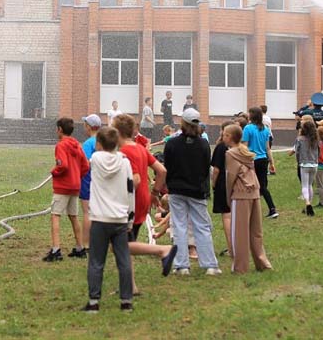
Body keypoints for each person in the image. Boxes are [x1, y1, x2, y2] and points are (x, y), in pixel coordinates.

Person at [114, 114, 175, 292]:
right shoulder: (141, 149)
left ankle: (163, 250)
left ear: (117, 131)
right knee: (127, 241)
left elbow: (135, 180)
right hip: (143, 201)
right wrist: (155, 193)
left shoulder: (124, 152)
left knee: (119, 245)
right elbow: (161, 171)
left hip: (129, 203)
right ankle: (130, 285)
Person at [82, 125, 136, 313]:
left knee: (96, 261)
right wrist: (130, 218)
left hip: (99, 218)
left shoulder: (95, 159)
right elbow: (131, 191)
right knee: (123, 261)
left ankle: (94, 301)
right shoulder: (125, 162)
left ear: (99, 144)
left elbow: (88, 160)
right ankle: (126, 301)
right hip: (120, 219)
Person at [163, 108, 221, 275]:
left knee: (179, 227)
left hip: (176, 189)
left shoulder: (172, 143)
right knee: (202, 226)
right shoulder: (203, 144)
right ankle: (210, 264)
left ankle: (182, 265)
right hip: (196, 190)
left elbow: (168, 166)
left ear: (183, 123)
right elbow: (205, 169)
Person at [225, 123, 273, 273]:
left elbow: (231, 177)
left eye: (225, 134)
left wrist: (228, 197)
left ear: (230, 137)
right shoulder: (245, 151)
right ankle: (262, 263)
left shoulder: (230, 154)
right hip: (254, 192)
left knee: (239, 232)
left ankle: (240, 267)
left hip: (240, 194)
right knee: (256, 231)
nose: (223, 137)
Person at [44, 117, 89, 261]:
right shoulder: (77, 145)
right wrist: (77, 176)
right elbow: (86, 166)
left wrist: (54, 172)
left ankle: (56, 250)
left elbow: (62, 165)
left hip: (63, 187)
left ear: (60, 130)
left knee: (55, 215)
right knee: (73, 216)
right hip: (75, 187)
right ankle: (80, 248)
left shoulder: (61, 145)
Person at [242, 107, 278, 218]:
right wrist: (271, 162)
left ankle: (249, 211)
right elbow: (267, 148)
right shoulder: (265, 129)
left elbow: (245, 146)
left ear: (251, 116)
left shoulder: (248, 128)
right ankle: (272, 208)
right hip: (263, 160)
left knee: (249, 185)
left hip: (251, 159)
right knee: (262, 186)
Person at [78, 114, 102, 257]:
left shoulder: (88, 143)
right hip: (102, 181)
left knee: (87, 212)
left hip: (88, 181)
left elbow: (85, 163)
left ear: (88, 127)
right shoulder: (104, 141)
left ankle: (86, 244)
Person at [211, 122, 234, 255]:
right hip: (236, 183)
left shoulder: (221, 147)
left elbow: (216, 169)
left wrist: (213, 184)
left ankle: (231, 248)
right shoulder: (239, 147)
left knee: (226, 216)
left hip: (223, 184)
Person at [291, 119, 319, 217]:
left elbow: (297, 151)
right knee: (310, 185)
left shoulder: (300, 139)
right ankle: (309, 204)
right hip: (314, 164)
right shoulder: (316, 139)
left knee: (304, 186)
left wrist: (298, 161)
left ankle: (307, 203)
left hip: (304, 164)